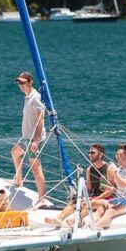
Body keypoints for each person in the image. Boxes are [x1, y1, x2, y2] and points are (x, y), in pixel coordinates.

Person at [44, 144, 113, 227]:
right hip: (95, 198)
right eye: (89, 153)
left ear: (101, 155)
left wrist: (93, 199)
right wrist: (85, 198)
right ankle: (59, 218)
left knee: (91, 203)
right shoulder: (89, 169)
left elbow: (110, 191)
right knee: (74, 202)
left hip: (107, 199)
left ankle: (74, 220)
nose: (90, 154)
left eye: (92, 153)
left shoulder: (109, 168)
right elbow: (88, 189)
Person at [10, 72, 47, 203]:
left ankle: (42, 198)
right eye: (19, 83)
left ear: (30, 82)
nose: (20, 85)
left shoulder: (35, 98)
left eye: (23, 83)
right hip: (26, 137)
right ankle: (18, 180)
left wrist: (36, 141)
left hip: (33, 140)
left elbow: (40, 120)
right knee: (15, 152)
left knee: (36, 169)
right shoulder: (27, 97)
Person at [93, 144, 126, 229]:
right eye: (117, 155)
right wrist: (110, 188)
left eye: (120, 155)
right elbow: (117, 188)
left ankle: (95, 228)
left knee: (110, 211)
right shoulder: (119, 170)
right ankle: (88, 225)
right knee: (101, 209)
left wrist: (115, 171)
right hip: (118, 199)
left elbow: (122, 185)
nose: (117, 157)